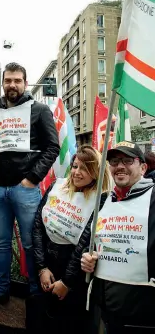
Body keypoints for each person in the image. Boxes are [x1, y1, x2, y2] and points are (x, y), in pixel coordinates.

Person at [0, 62, 59, 305]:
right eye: (8, 80)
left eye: (17, 80)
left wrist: (31, 179)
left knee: (29, 243)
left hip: (25, 190)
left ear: (25, 83)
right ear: (3, 83)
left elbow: (52, 147)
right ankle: (0, 290)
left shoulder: (41, 110)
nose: (12, 85)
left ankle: (35, 293)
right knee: (1, 244)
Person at [30, 145, 111, 334]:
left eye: (84, 168)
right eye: (75, 166)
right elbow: (37, 225)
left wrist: (66, 282)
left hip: (74, 273)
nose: (77, 172)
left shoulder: (100, 199)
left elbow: (85, 242)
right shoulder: (57, 187)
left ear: (95, 172)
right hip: (47, 266)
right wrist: (42, 267)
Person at [81, 141, 155, 334]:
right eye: (114, 161)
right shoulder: (104, 199)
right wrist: (89, 259)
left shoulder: (153, 197)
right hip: (106, 307)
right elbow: (93, 242)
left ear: (143, 167)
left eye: (128, 160)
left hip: (143, 311)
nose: (120, 166)